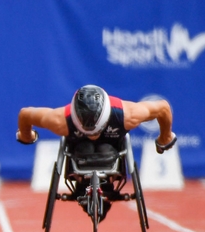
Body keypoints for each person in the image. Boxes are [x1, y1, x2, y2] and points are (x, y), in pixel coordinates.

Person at [17, 85, 176, 220]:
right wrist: (164, 139)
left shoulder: (128, 114)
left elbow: (163, 108)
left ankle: (105, 187)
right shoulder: (60, 120)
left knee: (105, 149)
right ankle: (82, 188)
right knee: (84, 149)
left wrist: (165, 136)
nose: (93, 135)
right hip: (79, 151)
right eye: (87, 130)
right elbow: (25, 114)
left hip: (112, 149)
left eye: (96, 130)